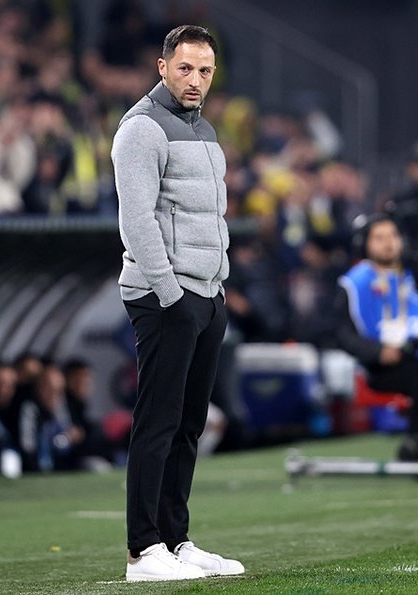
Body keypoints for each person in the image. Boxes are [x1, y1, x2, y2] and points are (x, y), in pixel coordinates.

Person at [111, 25, 243, 582]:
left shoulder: (204, 129)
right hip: (165, 296)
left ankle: (174, 539)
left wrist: (216, 291)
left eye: (205, 71)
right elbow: (136, 221)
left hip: (206, 295)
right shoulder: (141, 128)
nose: (195, 80)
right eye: (185, 68)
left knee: (189, 425)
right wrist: (172, 294)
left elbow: (209, 216)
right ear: (162, 66)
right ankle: (143, 551)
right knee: (158, 423)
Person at [334, 214, 418, 461]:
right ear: (365, 244)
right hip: (383, 365)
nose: (388, 243)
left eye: (393, 236)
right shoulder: (354, 283)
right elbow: (342, 334)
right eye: (379, 238)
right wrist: (377, 352)